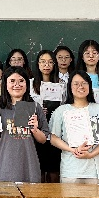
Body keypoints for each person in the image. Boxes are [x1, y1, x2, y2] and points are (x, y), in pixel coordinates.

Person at [0, 66, 49, 183]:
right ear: (5, 84)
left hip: (29, 166)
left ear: (27, 84)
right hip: (5, 166)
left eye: (21, 81)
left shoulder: (35, 107)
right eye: (12, 81)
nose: (17, 85)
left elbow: (43, 140)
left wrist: (35, 130)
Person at [49, 71, 99, 184]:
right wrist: (73, 150)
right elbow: (54, 138)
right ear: (70, 87)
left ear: (90, 86)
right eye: (76, 84)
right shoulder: (61, 111)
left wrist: (91, 154)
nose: (80, 86)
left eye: (84, 83)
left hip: (95, 171)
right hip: (70, 170)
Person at [30, 49, 63, 183]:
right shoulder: (30, 83)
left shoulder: (62, 84)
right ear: (38, 64)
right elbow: (24, 106)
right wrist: (37, 111)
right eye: (43, 62)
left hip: (55, 128)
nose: (46, 65)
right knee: (39, 168)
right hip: (36, 130)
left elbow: (66, 105)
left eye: (50, 62)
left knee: (54, 168)